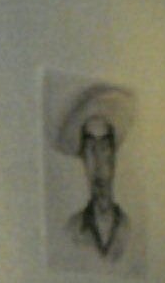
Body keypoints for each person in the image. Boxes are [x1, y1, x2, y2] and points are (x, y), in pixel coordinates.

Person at [57, 84, 136, 265]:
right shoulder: (72, 230)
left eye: (103, 147)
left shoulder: (129, 228)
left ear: (113, 156)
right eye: (91, 148)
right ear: (83, 158)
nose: (98, 160)